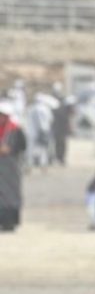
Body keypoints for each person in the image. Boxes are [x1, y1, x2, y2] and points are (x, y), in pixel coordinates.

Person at [0, 99, 27, 231]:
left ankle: (10, 223)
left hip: (11, 168)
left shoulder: (15, 129)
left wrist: (9, 150)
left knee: (11, 195)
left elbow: (22, 146)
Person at [25, 93, 53, 170]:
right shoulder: (46, 109)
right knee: (43, 149)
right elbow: (50, 120)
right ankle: (43, 164)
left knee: (30, 148)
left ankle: (29, 164)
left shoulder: (31, 108)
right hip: (43, 131)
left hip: (31, 131)